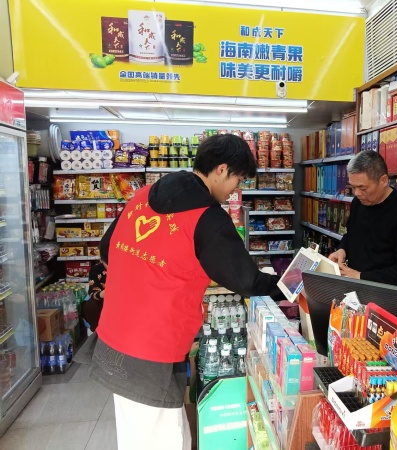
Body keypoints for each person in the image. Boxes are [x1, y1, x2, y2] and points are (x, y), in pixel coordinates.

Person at [89, 134, 283, 450]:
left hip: (114, 337)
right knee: (163, 439)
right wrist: (289, 286)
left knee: (138, 432)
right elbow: (246, 281)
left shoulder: (144, 195)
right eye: (238, 180)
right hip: (152, 350)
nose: (236, 190)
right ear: (221, 169)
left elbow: (106, 248)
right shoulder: (207, 217)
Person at [328, 151, 397, 287]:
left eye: (362, 187)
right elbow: (352, 235)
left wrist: (361, 276)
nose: (357, 193)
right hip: (355, 288)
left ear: (383, 180)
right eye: (353, 187)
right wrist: (342, 250)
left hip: (386, 294)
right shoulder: (358, 203)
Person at [82, 259, 107, 332]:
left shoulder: (125, 267)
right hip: (103, 301)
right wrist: (106, 293)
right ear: (101, 260)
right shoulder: (96, 269)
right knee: (91, 305)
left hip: (123, 302)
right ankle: (99, 332)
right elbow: (93, 293)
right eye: (107, 262)